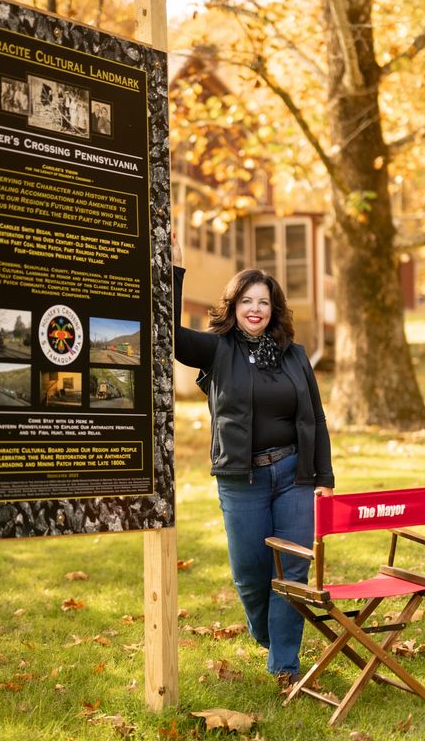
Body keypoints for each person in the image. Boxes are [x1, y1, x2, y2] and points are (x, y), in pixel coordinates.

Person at [172, 238, 334, 689]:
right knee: (250, 576)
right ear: (235, 306)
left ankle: (286, 666)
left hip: (294, 474)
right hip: (241, 478)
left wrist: (324, 476)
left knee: (292, 571)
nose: (256, 309)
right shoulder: (218, 350)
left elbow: (316, 418)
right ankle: (270, 636)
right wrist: (175, 271)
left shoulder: (295, 356)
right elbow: (169, 335)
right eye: (247, 301)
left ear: (274, 308)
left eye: (264, 302)